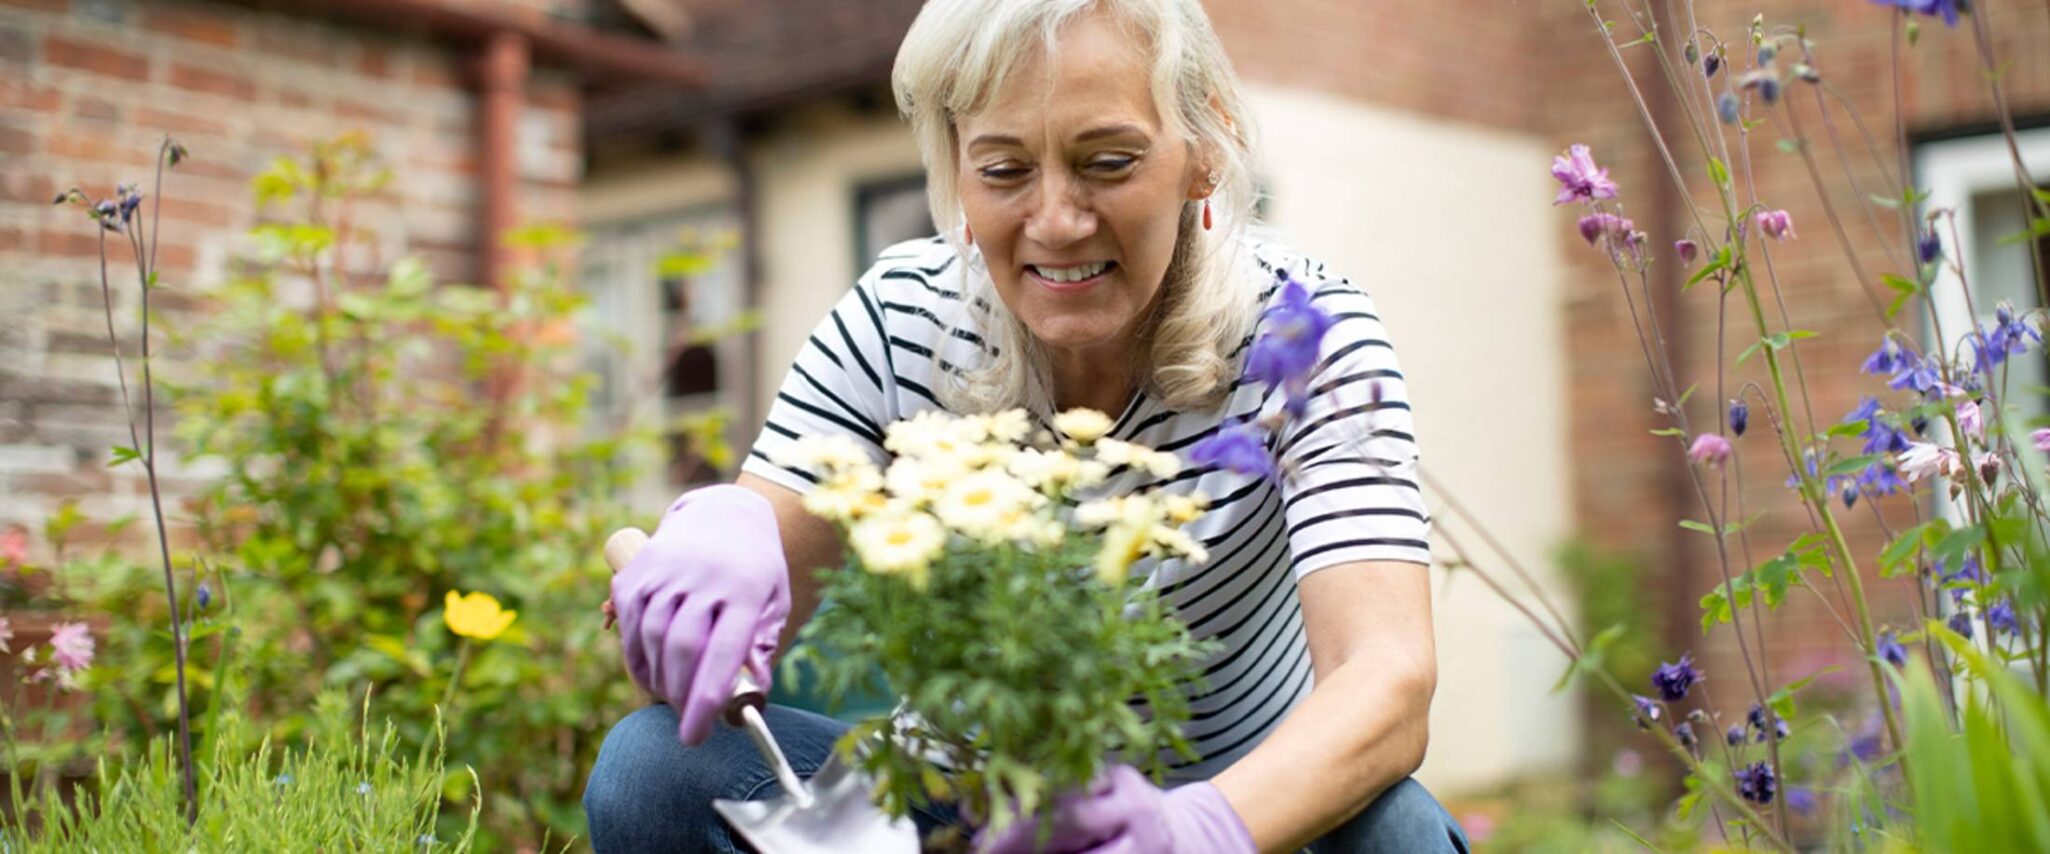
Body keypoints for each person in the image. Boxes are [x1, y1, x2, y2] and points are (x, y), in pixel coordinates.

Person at [583, 1, 1468, 851]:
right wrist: (719, 546)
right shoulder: (901, 322)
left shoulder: (1304, 338)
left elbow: (1384, 678)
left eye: (1108, 162)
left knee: (1396, 831)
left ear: (1207, 147)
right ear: (957, 172)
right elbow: (741, 610)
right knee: (655, 769)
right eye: (1004, 171)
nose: (1057, 221)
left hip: (1244, 813)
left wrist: (1200, 833)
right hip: (969, 811)